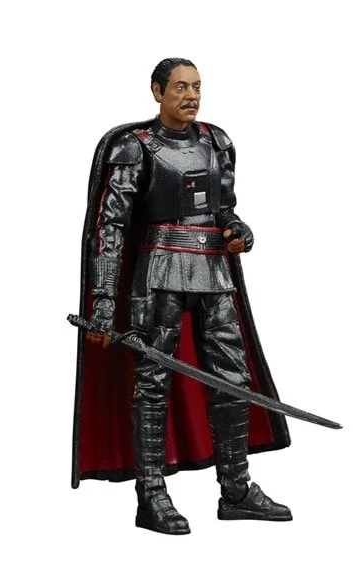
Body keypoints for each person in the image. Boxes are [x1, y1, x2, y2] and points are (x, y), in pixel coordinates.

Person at [72, 58, 292, 535]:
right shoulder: (134, 148)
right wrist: (103, 304)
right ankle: (152, 494)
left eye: (197, 87)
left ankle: (236, 490)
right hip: (158, 275)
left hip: (214, 273)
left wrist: (237, 229)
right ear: (157, 91)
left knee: (233, 379)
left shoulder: (216, 142)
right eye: (180, 87)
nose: (191, 96)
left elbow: (223, 208)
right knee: (153, 382)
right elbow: (110, 229)